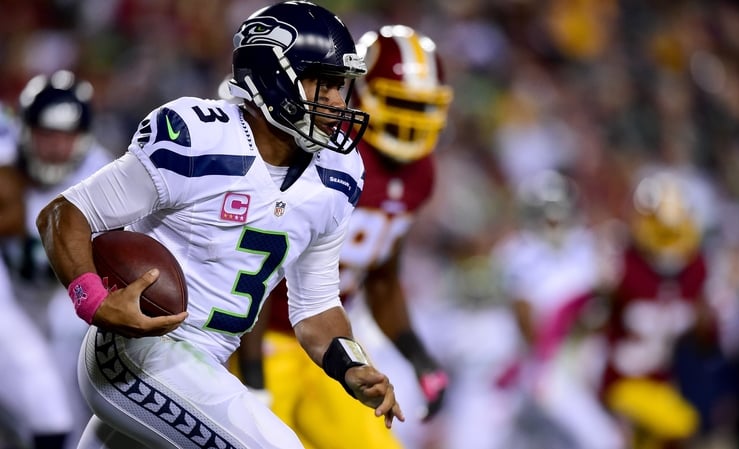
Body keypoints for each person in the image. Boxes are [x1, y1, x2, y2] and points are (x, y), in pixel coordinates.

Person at [35, 2, 403, 448]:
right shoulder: (198, 138)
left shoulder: (339, 172)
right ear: (271, 75)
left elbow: (316, 307)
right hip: (139, 348)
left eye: (340, 86)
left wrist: (351, 365)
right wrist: (92, 300)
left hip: (206, 365)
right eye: (319, 83)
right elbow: (64, 214)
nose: (336, 102)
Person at [234, 24, 452, 449]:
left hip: (331, 344)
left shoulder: (420, 175)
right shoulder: (325, 150)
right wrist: (252, 372)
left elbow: (383, 276)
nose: (410, 121)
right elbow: (256, 263)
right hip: (262, 333)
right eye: (400, 103)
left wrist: (419, 358)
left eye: (421, 107)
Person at [0, 71, 111, 449]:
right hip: (9, 298)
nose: (56, 147)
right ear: (26, 131)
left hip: (63, 308)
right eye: (47, 134)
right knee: (46, 411)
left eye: (66, 136)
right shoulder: (6, 161)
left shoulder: (102, 175)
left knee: (70, 421)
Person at [491, 170, 623, 449]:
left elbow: (608, 309)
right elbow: (530, 328)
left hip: (587, 361)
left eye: (559, 213)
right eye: (546, 214)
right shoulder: (517, 254)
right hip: (543, 368)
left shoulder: (587, 248)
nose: (554, 222)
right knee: (604, 440)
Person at [598, 171, 712, 449]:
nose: (668, 239)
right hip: (621, 383)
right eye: (662, 229)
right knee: (676, 426)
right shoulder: (623, 266)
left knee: (678, 431)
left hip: (662, 381)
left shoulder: (695, 269)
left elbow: (707, 338)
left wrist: (702, 319)